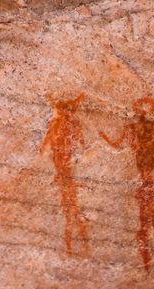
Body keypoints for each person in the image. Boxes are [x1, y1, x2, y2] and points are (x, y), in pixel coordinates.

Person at [99, 97, 154, 273]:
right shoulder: (153, 128)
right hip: (146, 179)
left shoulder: (147, 127)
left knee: (149, 223)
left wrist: (104, 138)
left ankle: (153, 263)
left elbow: (116, 144)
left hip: (147, 178)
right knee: (151, 223)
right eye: (143, 107)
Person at [41, 93, 89, 255]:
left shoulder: (61, 122)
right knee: (71, 204)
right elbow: (80, 141)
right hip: (63, 164)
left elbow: (45, 145)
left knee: (70, 204)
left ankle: (75, 241)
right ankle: (75, 240)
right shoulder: (64, 123)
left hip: (64, 164)